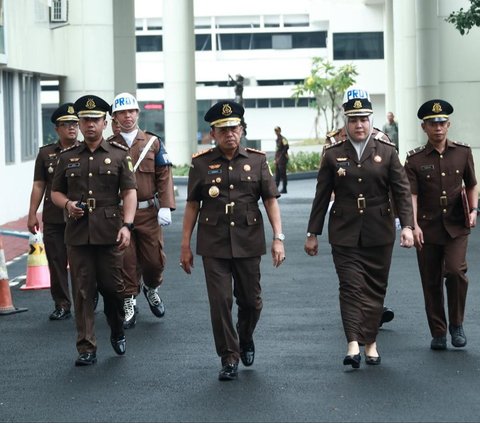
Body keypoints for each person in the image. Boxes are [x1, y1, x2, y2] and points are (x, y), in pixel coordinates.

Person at [304, 86, 414, 368]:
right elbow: (320, 195)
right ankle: (353, 342)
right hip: (344, 229)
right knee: (351, 286)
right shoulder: (332, 154)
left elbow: (401, 191)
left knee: (375, 288)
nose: (359, 125)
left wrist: (407, 226)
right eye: (353, 120)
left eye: (364, 119)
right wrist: (312, 233)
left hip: (379, 228)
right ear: (346, 122)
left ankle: (371, 342)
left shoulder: (387, 151)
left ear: (371, 120)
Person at [180, 100, 285, 381]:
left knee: (252, 301)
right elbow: (192, 205)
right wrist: (185, 245)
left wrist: (278, 238)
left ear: (242, 130)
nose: (229, 134)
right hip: (213, 242)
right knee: (220, 300)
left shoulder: (257, 160)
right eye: (223, 129)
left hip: (248, 240)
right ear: (213, 133)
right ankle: (229, 356)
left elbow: (271, 201)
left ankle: (245, 336)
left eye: (234, 128)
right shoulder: (201, 163)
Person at [51, 94, 137, 366]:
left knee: (113, 288)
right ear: (79, 122)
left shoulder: (119, 155)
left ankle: (117, 328)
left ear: (105, 123)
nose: (90, 125)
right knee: (83, 291)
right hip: (77, 233)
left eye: (95, 120)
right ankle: (86, 347)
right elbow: (55, 192)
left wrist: (127, 225)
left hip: (110, 231)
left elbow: (130, 192)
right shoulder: (67, 157)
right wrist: (66, 205)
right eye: (85, 120)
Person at [404, 99, 478, 351]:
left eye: (442, 123)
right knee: (431, 280)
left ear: (449, 125)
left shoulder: (463, 152)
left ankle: (456, 324)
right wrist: (413, 225)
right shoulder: (414, 160)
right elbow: (411, 196)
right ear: (424, 127)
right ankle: (438, 331)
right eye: (432, 124)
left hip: (457, 225)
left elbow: (472, 183)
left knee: (456, 272)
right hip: (428, 226)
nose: (438, 128)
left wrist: (474, 209)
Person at [109, 92, 176, 329]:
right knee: (125, 261)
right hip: (118, 214)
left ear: (137, 113)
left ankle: (151, 287)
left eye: (131, 111)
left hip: (148, 212)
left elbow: (164, 175)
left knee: (154, 261)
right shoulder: (108, 146)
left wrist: (166, 206)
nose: (127, 116)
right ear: (115, 117)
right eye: (122, 113)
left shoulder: (152, 142)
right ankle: (129, 300)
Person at [325, 124, 397, 328]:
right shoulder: (334, 140)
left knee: (373, 269)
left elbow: (392, 180)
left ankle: (371, 310)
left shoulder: (381, 138)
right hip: (347, 215)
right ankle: (363, 314)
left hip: (376, 216)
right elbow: (329, 177)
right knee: (352, 272)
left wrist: (396, 214)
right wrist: (332, 205)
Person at [27, 103, 79, 321]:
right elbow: (39, 184)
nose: (72, 128)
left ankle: (87, 300)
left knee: (82, 263)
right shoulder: (46, 153)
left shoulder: (87, 151)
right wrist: (32, 214)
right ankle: (62, 304)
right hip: (54, 217)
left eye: (75, 124)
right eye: (66, 125)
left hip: (80, 217)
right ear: (57, 128)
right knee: (56, 262)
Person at [274, 126, 289, 194]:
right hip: (278, 159)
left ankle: (284, 188)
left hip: (282, 159)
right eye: (275, 131)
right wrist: (276, 158)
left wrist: (282, 155)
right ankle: (275, 189)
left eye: (277, 130)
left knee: (283, 174)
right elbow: (277, 150)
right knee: (277, 174)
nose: (276, 132)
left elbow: (286, 146)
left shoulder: (283, 139)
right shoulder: (277, 139)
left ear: (280, 131)